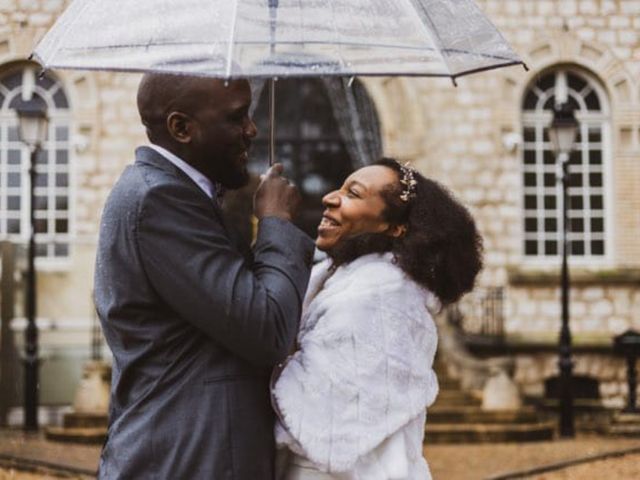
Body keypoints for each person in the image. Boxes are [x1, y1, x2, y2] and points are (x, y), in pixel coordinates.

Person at [94, 73, 315, 479]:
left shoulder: (176, 192)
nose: (251, 130)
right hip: (186, 458)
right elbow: (266, 329)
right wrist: (276, 222)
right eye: (236, 118)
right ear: (182, 127)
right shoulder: (159, 199)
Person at [272, 158, 483, 479]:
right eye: (340, 188)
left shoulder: (380, 292)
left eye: (353, 194)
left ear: (395, 227)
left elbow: (324, 407)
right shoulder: (345, 277)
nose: (329, 197)